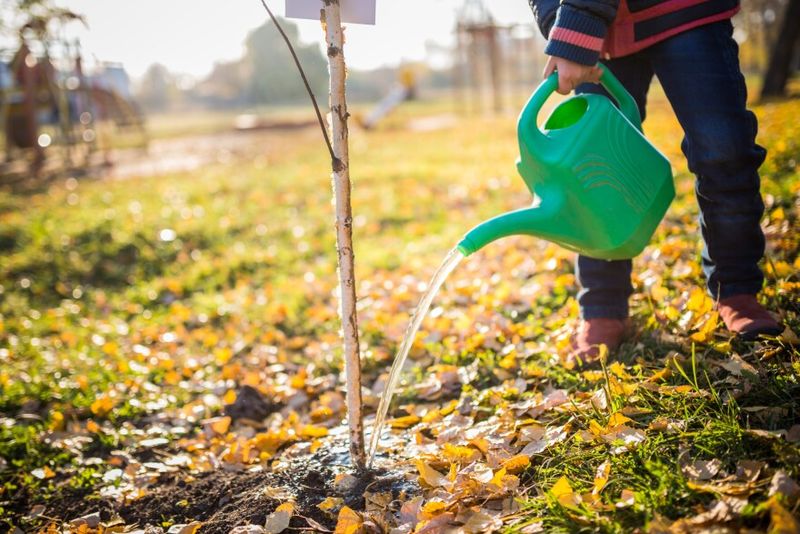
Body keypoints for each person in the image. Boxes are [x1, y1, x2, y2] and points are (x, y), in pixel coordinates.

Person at [525, 0, 783, 363]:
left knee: (724, 150)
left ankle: (737, 289)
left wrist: (576, 27)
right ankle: (602, 306)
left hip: (683, 11)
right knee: (594, 171)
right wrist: (560, 20)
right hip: (604, 36)